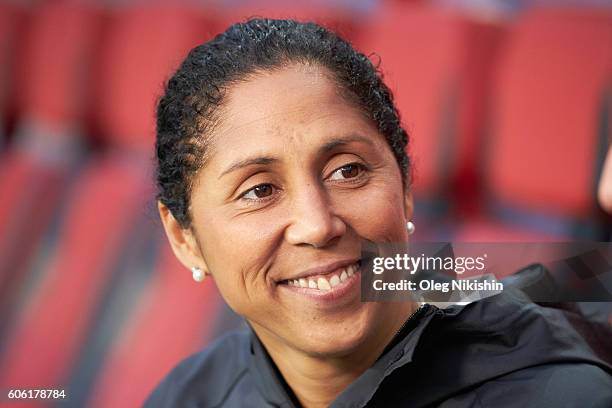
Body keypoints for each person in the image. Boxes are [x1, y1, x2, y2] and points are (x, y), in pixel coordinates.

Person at [147, 19, 612, 407]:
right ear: (184, 239)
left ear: (405, 185)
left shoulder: (555, 391)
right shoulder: (189, 395)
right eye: (259, 190)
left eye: (347, 171)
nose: (318, 224)